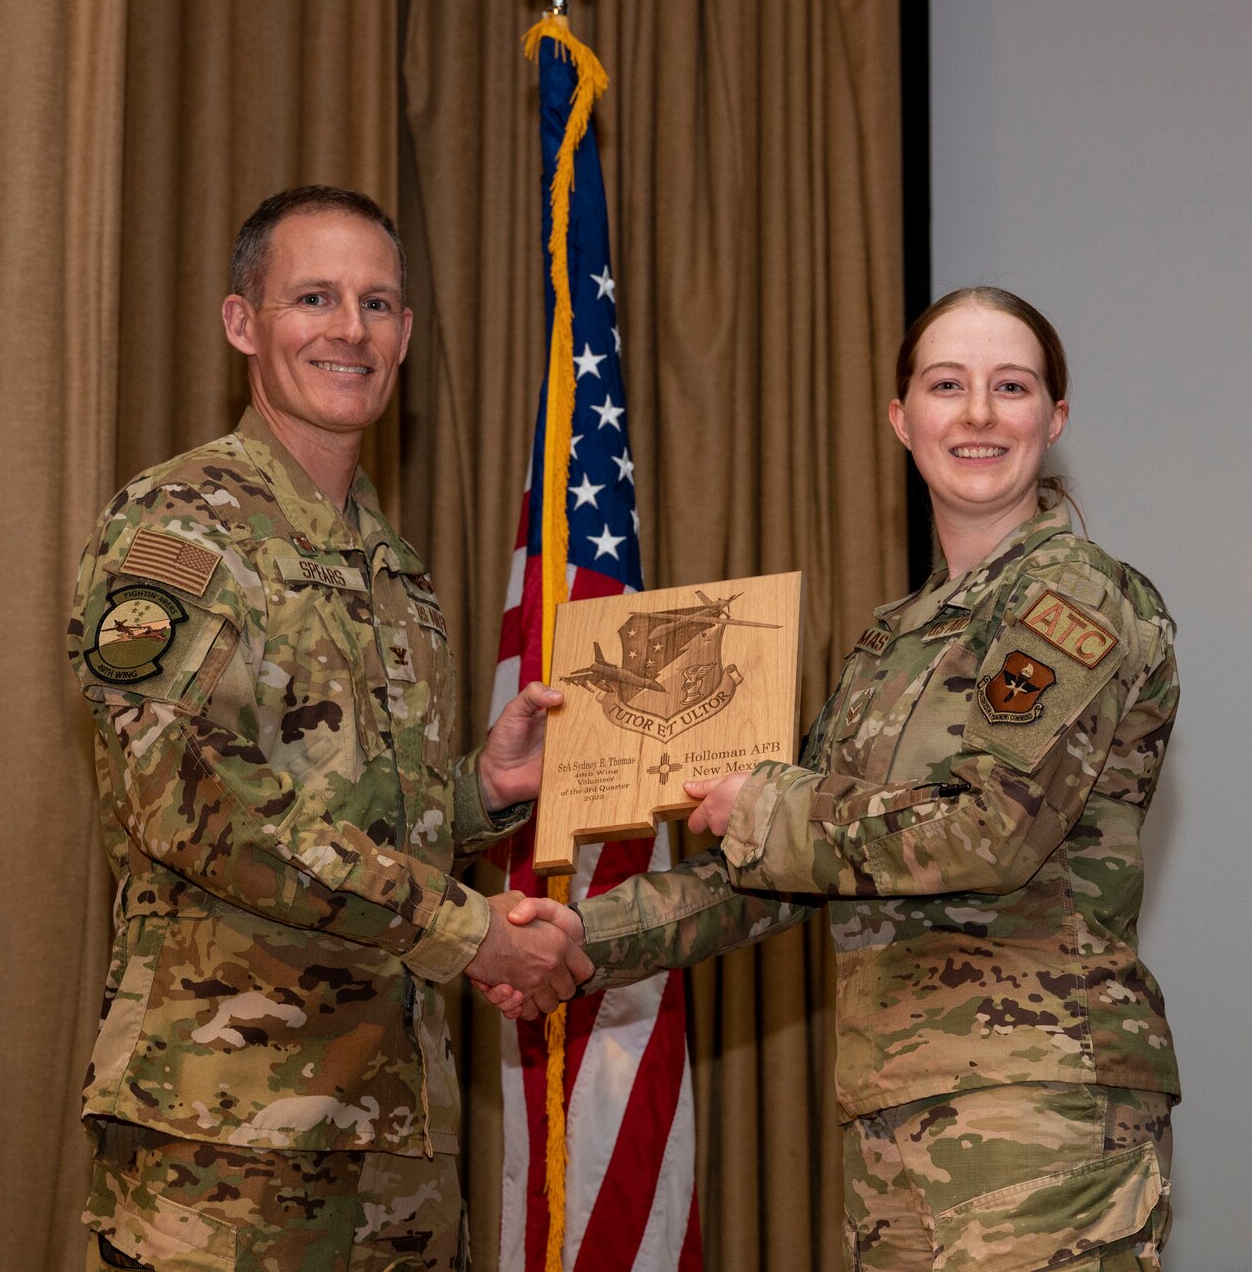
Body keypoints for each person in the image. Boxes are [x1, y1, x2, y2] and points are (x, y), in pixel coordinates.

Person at [493, 287, 1182, 1268]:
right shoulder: (890, 642)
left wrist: (767, 804)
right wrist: (578, 939)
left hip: (1038, 1118)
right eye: (947, 385)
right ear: (901, 419)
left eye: (1010, 386)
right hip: (897, 1121)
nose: (978, 413)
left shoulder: (1071, 599)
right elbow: (778, 872)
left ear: (1053, 419)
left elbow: (989, 828)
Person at [67, 185, 589, 1271]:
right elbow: (199, 805)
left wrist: (478, 794)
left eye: (379, 303)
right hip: (228, 1161)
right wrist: (466, 926)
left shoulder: (396, 569)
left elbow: (363, 826)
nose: (350, 330)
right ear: (241, 322)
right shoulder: (179, 528)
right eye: (314, 297)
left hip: (395, 1156)